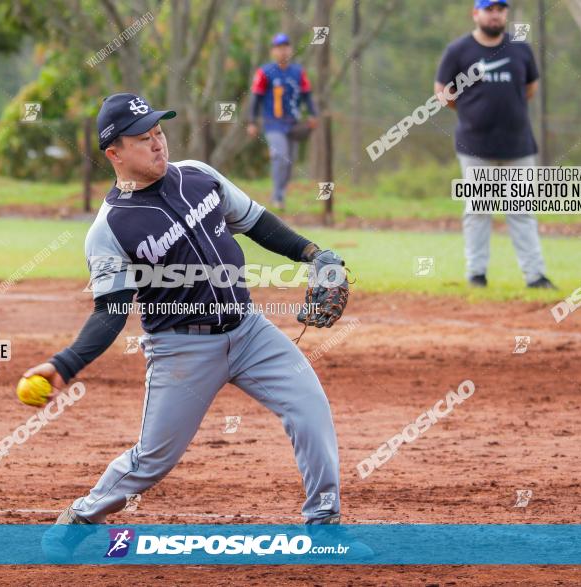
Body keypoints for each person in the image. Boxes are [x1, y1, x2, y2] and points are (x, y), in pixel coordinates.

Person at [27, 93, 346, 553]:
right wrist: (65, 364)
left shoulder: (199, 176)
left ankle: (325, 527)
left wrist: (313, 254)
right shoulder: (111, 228)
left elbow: (256, 223)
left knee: (311, 408)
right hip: (181, 350)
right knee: (152, 461)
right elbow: (111, 311)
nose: (158, 143)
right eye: (143, 138)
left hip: (250, 330)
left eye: (159, 132)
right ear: (114, 153)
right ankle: (81, 516)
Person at [435, 0, 556, 289]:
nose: (495, 14)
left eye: (500, 9)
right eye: (489, 9)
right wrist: (472, 113)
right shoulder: (458, 51)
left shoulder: (520, 49)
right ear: (475, 13)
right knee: (478, 210)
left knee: (522, 210)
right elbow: (442, 93)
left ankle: (535, 276)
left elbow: (530, 88)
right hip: (475, 146)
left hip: (519, 145)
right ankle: (476, 275)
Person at [247, 33, 318, 211]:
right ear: (273, 51)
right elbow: (256, 98)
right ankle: (277, 196)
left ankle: (281, 193)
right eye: (279, 48)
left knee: (290, 160)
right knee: (281, 156)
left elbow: (307, 95)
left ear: (291, 49)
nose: (283, 51)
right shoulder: (265, 72)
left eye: (286, 47)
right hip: (273, 123)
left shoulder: (298, 72)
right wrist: (252, 121)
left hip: (293, 122)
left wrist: (313, 114)